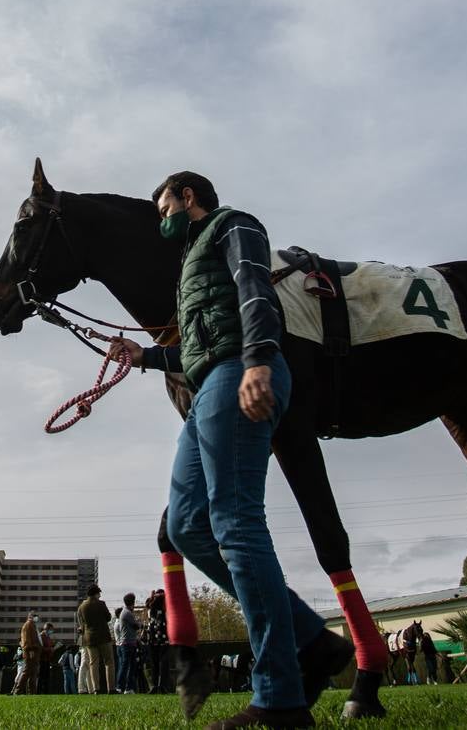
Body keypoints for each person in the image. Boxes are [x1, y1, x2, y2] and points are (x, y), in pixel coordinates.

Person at [110, 171, 351, 729]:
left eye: (163, 203)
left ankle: (280, 700)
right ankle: (315, 642)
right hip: (209, 382)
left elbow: (255, 291)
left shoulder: (234, 225)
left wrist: (261, 360)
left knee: (236, 522)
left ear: (187, 197)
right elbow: (196, 348)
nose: (160, 216)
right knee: (189, 525)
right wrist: (142, 356)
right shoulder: (190, 263)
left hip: (239, 370)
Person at [76, 584, 116, 694]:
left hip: (89, 639)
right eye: (99, 593)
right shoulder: (101, 604)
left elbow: (81, 623)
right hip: (103, 637)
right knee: (109, 662)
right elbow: (108, 618)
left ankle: (95, 689)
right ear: (96, 594)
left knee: (93, 663)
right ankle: (111, 688)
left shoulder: (81, 607)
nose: (100, 595)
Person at [144, 589, 170, 694]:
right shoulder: (165, 610)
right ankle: (163, 685)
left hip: (152, 637)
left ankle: (154, 685)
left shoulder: (150, 609)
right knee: (164, 662)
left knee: (154, 662)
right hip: (163, 637)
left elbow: (148, 604)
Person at [116, 593, 140, 693]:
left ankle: (128, 688)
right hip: (128, 643)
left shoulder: (124, 612)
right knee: (126, 666)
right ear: (132, 602)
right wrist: (140, 623)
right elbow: (136, 626)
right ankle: (120, 687)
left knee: (130, 666)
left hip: (129, 643)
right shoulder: (127, 613)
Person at [14, 610, 42, 694]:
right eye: (35, 615)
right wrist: (30, 649)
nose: (36, 617)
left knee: (33, 673)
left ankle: (32, 692)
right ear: (30, 616)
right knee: (27, 672)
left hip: (34, 651)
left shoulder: (32, 625)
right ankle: (18, 691)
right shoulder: (28, 625)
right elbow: (26, 639)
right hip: (31, 651)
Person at [39, 621, 56, 694]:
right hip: (41, 659)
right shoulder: (41, 636)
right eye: (51, 629)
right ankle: (39, 691)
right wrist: (50, 649)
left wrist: (52, 650)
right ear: (47, 629)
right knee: (41, 677)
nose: (52, 631)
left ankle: (46, 692)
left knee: (46, 677)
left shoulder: (48, 637)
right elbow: (40, 648)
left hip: (47, 659)